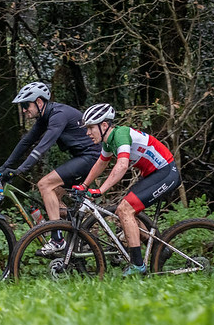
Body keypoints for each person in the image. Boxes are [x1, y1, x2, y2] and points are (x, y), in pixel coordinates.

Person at [0, 82, 102, 254]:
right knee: (54, 200)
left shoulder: (58, 115)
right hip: (84, 158)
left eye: (25, 105)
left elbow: (41, 147)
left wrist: (19, 170)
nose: (23, 110)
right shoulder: (45, 116)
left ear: (39, 102)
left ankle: (57, 240)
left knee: (45, 185)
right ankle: (81, 235)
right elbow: (26, 142)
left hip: (91, 157)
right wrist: (5, 166)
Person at [74, 103, 181, 276]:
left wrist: (100, 190)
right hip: (152, 174)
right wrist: (85, 185)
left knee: (125, 210)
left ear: (104, 125)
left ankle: (138, 265)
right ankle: (161, 248)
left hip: (166, 172)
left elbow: (122, 165)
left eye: (91, 128)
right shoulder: (109, 142)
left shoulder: (121, 134)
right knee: (122, 213)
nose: (87, 133)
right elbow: (101, 163)